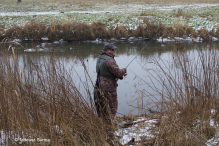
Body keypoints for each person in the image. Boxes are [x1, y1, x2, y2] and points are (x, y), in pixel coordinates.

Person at [94, 43, 127, 128]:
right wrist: (123, 70)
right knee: (113, 105)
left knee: (103, 104)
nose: (114, 51)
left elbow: (105, 71)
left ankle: (103, 122)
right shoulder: (110, 60)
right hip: (109, 86)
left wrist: (119, 75)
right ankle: (110, 123)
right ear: (107, 50)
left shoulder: (100, 58)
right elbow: (118, 72)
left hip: (99, 84)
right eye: (112, 50)